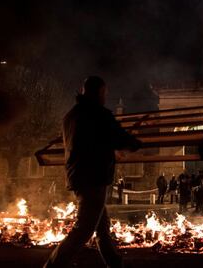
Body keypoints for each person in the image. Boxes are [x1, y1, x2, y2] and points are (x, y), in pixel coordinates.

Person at [44, 76, 141, 268]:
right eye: (104, 93)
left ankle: (114, 263)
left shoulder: (71, 115)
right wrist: (135, 143)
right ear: (99, 92)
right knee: (84, 229)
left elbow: (89, 142)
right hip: (94, 176)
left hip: (78, 175)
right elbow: (118, 137)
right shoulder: (98, 114)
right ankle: (53, 265)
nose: (105, 97)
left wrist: (112, 149)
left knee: (102, 227)